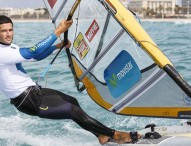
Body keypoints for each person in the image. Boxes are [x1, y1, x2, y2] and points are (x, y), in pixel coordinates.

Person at [0, 15, 139, 145]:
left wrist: (57, 47)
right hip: (27, 100)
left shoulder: (10, 47)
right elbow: (34, 51)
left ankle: (101, 135)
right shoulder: (2, 52)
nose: (8, 34)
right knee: (71, 110)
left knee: (72, 101)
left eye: (10, 30)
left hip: (34, 92)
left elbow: (36, 57)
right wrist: (58, 31)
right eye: (4, 31)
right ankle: (115, 135)